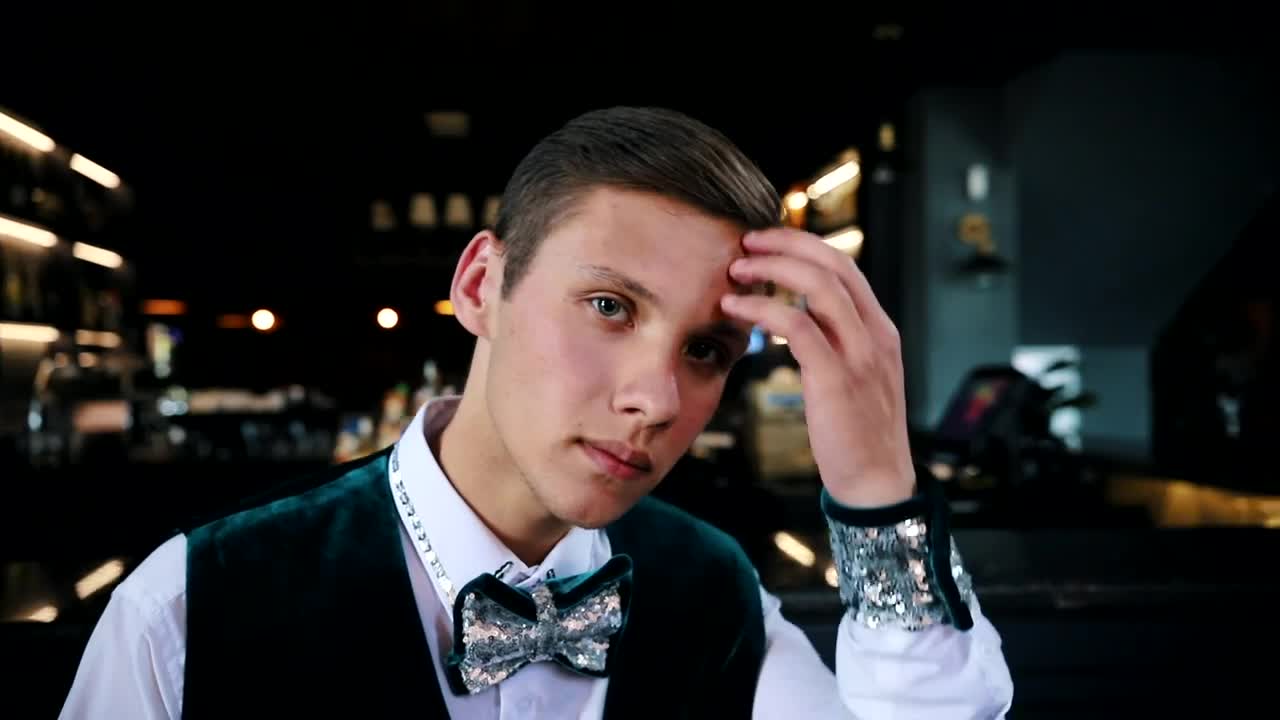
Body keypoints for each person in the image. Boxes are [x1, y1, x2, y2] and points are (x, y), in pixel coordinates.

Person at [59, 106, 1014, 718]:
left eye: (705, 351)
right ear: (482, 284)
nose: (655, 400)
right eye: (609, 306)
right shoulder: (189, 608)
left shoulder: (717, 601)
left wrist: (878, 494)